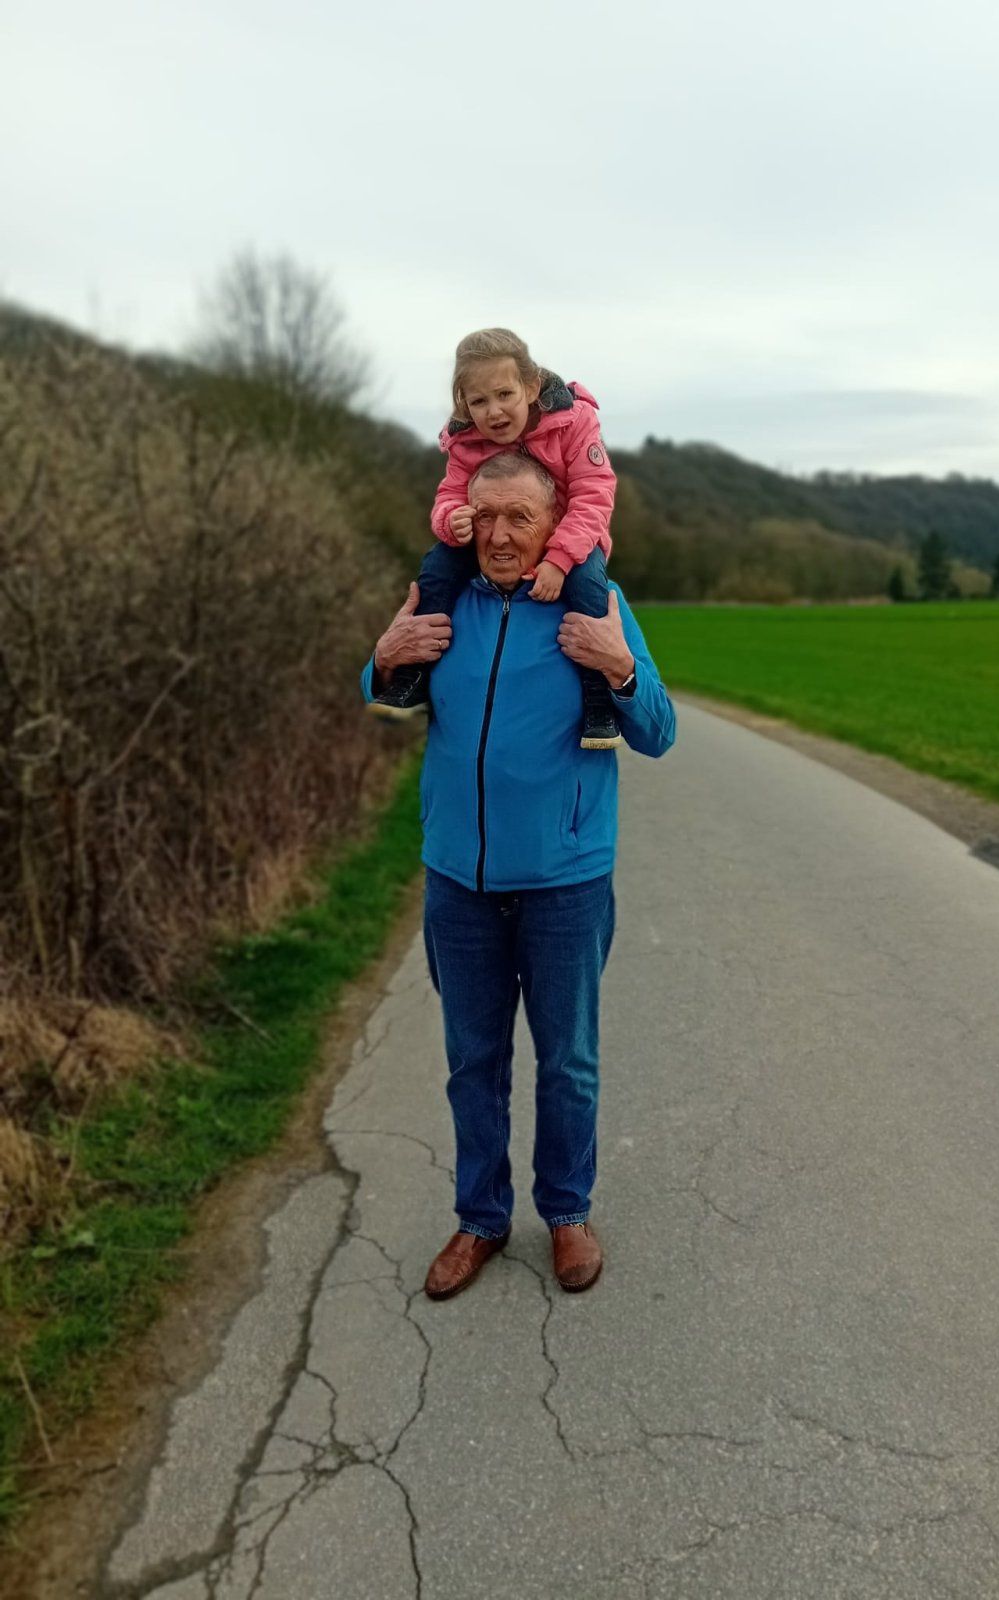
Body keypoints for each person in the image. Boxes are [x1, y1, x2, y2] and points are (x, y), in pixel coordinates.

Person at [362, 452, 676, 1297]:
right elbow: (385, 696)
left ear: (555, 523)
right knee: (473, 1060)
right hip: (458, 882)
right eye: (485, 516)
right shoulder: (445, 601)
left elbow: (658, 731)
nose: (499, 535)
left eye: (520, 518)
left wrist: (619, 666)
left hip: (565, 881)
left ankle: (567, 1212)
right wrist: (382, 659)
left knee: (567, 1061)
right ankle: (480, 1219)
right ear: (463, 518)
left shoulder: (594, 603)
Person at [366, 327, 622, 749]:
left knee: (588, 585)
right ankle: (412, 677)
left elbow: (593, 496)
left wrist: (559, 559)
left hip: (572, 538)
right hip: (486, 540)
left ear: (531, 387)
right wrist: (451, 521)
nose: (494, 412)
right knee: (437, 566)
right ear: (464, 404)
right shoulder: (465, 440)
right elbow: (450, 493)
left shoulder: (574, 421)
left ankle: (599, 700)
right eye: (479, 401)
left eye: (505, 394)